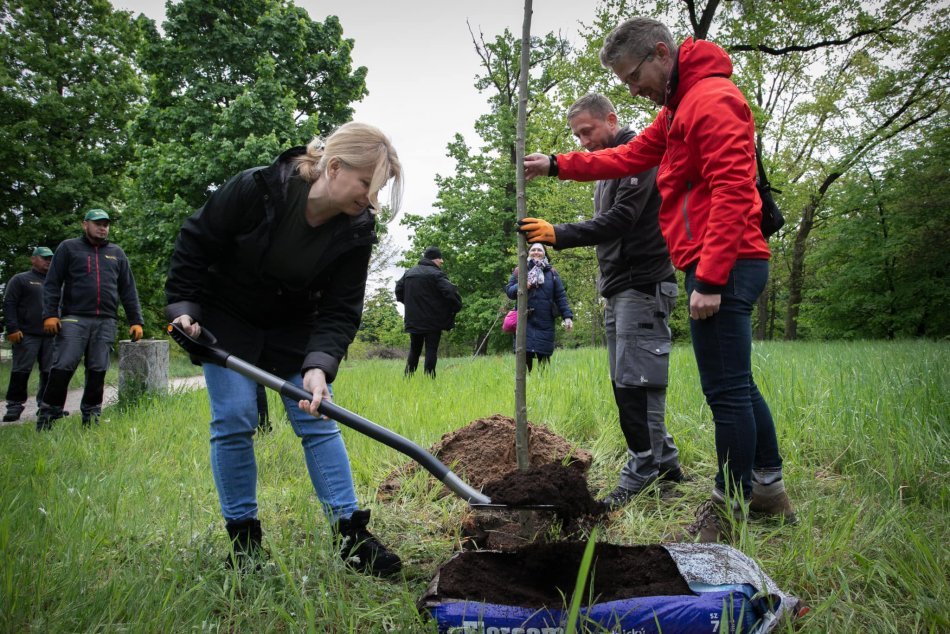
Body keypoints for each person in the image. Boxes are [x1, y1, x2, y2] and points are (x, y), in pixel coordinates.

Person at [524, 17, 796, 542]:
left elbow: (736, 190)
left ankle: (729, 503)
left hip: (729, 261)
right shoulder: (676, 109)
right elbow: (628, 155)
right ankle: (768, 486)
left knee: (726, 394)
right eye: (625, 83)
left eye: (633, 77)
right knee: (737, 384)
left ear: (661, 52)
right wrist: (560, 165)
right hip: (719, 259)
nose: (634, 89)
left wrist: (711, 278)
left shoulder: (711, 100)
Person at [165, 122, 404, 576]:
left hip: (296, 324)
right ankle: (246, 544)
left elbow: (341, 307)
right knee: (233, 418)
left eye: (379, 191)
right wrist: (182, 305)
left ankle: (350, 535)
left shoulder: (357, 229)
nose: (370, 200)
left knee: (316, 415)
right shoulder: (256, 189)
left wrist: (318, 366)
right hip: (227, 318)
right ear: (333, 167)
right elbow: (195, 241)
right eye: (366, 186)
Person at [518, 93, 685, 508]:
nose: (584, 142)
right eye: (577, 136)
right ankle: (665, 465)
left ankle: (643, 468)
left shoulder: (637, 157)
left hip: (643, 284)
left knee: (636, 383)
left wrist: (559, 233)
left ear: (611, 120)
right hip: (620, 286)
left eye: (588, 132)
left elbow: (620, 221)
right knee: (627, 378)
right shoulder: (607, 169)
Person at [37, 210, 144, 431]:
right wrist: (50, 314)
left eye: (106, 224)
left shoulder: (116, 253)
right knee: (63, 366)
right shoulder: (69, 248)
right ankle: (48, 415)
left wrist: (136, 320)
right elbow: (52, 283)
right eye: (97, 224)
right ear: (85, 224)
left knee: (98, 369)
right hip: (74, 319)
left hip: (106, 321)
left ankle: (91, 416)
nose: (102, 228)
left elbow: (128, 289)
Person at [3, 247, 56, 422]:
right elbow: (9, 304)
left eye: (50, 259)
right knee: (21, 370)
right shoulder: (21, 280)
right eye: (44, 258)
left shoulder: (55, 282)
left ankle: (46, 407)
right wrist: (12, 328)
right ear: (33, 259)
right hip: (26, 335)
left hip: (51, 335)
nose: (48, 261)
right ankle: (14, 406)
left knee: (49, 372)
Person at [505, 243, 574, 372]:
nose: (536, 252)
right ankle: (526, 386)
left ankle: (544, 387)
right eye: (533, 250)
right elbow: (509, 291)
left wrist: (567, 317)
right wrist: (522, 286)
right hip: (524, 320)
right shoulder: (520, 270)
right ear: (528, 253)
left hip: (545, 321)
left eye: (539, 250)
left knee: (544, 359)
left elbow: (561, 297)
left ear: (544, 254)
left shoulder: (552, 273)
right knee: (524, 358)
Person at [394, 246, 462, 378]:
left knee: (414, 349)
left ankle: (408, 378)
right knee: (431, 349)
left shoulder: (409, 273)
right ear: (434, 259)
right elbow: (451, 292)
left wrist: (410, 304)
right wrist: (455, 307)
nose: (442, 262)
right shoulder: (437, 274)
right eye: (440, 258)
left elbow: (398, 290)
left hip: (413, 318)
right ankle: (429, 379)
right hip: (433, 320)